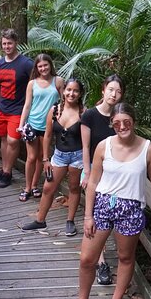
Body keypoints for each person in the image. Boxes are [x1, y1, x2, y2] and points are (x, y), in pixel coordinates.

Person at [79, 103, 151, 299]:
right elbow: (93, 181)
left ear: (134, 122)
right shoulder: (104, 146)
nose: (122, 126)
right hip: (103, 204)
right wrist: (88, 216)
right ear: (111, 124)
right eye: (116, 123)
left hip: (131, 209)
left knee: (126, 257)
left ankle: (116, 298)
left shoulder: (147, 148)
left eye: (126, 122)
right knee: (87, 259)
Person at [22, 78, 85, 236]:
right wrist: (45, 159)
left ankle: (70, 221)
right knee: (48, 188)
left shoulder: (84, 112)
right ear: (63, 91)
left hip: (77, 156)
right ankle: (40, 220)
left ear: (80, 94)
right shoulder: (55, 110)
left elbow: (87, 139)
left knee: (74, 188)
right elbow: (48, 135)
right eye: (68, 90)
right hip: (59, 156)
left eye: (75, 90)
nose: (71, 93)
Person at [80, 74, 125, 285]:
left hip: (116, 176)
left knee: (109, 217)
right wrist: (87, 174)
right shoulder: (89, 115)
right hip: (95, 175)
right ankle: (101, 262)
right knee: (97, 217)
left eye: (118, 91)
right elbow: (85, 147)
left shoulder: (120, 116)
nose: (114, 94)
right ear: (103, 90)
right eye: (111, 89)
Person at [0, 29, 34, 188]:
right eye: (4, 44)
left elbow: (35, 83)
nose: (7, 46)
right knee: (3, 139)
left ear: (16, 43)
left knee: (13, 140)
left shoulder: (26, 63)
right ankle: (3, 169)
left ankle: (8, 173)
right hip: (2, 108)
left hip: (18, 109)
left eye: (10, 43)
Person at [17, 54, 64, 201]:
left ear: (50, 65)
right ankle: (27, 187)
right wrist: (21, 124)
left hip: (48, 126)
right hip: (32, 123)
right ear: (36, 68)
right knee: (31, 157)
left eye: (45, 65)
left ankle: (35, 185)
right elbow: (27, 105)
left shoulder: (58, 81)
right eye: (40, 66)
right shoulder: (32, 83)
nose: (43, 68)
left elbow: (64, 102)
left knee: (41, 158)